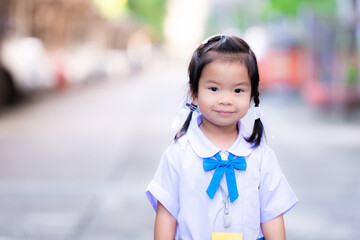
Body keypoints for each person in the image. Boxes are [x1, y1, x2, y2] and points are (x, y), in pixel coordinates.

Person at [146, 35, 298, 240]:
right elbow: (167, 214)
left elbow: (271, 214)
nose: (226, 99)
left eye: (238, 90)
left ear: (252, 94)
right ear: (194, 93)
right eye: (214, 88)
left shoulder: (260, 156)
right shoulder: (179, 154)